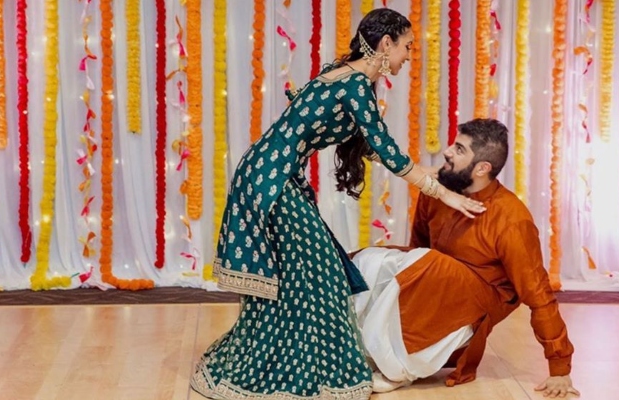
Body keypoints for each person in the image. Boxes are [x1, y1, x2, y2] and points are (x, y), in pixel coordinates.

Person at [190, 9, 485, 399]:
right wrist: (443, 193)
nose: (409, 56)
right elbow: (385, 149)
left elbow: (371, 147)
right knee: (320, 272)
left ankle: (293, 360)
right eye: (408, 46)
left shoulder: (347, 77)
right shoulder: (356, 84)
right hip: (270, 180)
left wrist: (433, 172)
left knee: (304, 274)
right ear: (386, 44)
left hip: (270, 175)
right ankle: (284, 368)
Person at [351, 118, 579, 398]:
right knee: (369, 260)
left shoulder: (511, 219)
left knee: (430, 264)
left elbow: (538, 294)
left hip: (474, 308)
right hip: (432, 287)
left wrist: (559, 368)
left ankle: (396, 367)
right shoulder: (437, 192)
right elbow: (416, 253)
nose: (447, 152)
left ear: (482, 168)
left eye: (459, 149)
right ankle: (359, 349)